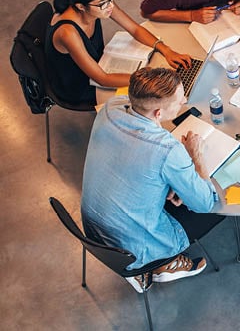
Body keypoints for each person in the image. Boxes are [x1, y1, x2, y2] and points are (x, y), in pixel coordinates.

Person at [81, 67, 224, 292]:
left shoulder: (110, 107)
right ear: (158, 113)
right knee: (219, 210)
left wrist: (165, 182)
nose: (185, 100)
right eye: (179, 100)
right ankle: (162, 263)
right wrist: (196, 154)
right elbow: (205, 203)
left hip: (94, 229)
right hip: (133, 246)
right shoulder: (167, 149)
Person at [45, 0, 191, 105]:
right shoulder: (67, 33)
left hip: (99, 63)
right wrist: (151, 78)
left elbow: (134, 29)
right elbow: (101, 79)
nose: (110, 6)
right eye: (103, 3)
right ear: (81, 7)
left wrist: (165, 50)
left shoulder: (101, 2)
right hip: (80, 84)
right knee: (148, 99)